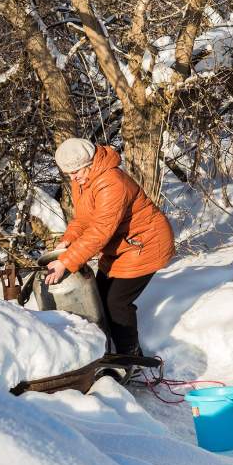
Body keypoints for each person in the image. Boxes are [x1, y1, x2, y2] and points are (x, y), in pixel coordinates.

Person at [44, 138, 175, 357]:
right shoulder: (84, 180)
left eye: (75, 171)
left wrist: (67, 261)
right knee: (99, 296)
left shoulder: (111, 182)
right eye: (68, 173)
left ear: (90, 162)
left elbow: (99, 231)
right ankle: (108, 351)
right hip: (121, 245)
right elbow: (84, 219)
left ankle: (130, 357)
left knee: (116, 303)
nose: (73, 178)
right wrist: (67, 240)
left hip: (144, 244)